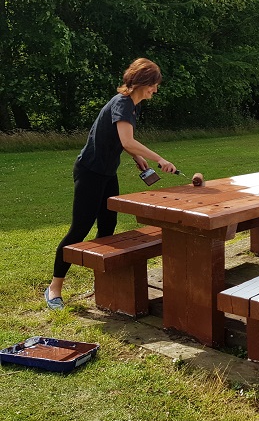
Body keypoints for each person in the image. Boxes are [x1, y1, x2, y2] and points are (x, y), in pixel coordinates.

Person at [44, 58, 178, 309]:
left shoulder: (132, 106)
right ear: (142, 82)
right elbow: (127, 141)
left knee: (108, 225)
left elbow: (122, 140)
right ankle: (54, 288)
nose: (155, 90)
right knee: (79, 230)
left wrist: (139, 159)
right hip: (90, 172)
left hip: (107, 173)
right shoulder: (122, 103)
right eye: (153, 85)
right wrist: (158, 158)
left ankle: (101, 286)